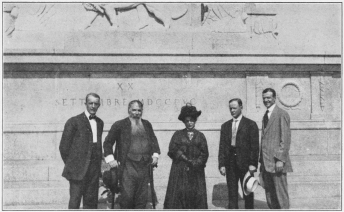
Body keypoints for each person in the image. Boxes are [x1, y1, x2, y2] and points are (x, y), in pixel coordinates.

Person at [103, 100, 160, 209]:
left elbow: (154, 141)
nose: (137, 113)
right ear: (129, 110)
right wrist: (111, 159)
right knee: (127, 198)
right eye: (134, 110)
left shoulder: (147, 124)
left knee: (142, 198)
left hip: (144, 165)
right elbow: (108, 142)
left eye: (139, 110)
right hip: (127, 166)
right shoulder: (119, 124)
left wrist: (155, 155)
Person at [59, 93, 104, 209]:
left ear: (99, 105)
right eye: (90, 103)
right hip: (77, 170)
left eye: (96, 104)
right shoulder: (73, 121)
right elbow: (63, 147)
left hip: (93, 170)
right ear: (85, 104)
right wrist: (73, 165)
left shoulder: (100, 122)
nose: (93, 106)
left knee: (91, 202)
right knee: (75, 201)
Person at [164, 103, 209, 209]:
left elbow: (205, 153)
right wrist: (184, 158)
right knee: (179, 196)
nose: (189, 123)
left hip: (196, 172)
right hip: (180, 171)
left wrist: (196, 163)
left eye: (192, 120)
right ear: (184, 121)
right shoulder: (177, 135)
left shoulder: (201, 136)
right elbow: (172, 151)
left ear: (195, 120)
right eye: (187, 121)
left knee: (196, 196)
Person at [218, 98, 259, 209]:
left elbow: (254, 147)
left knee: (248, 192)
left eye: (234, 108)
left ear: (241, 107)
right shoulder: (225, 126)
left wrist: (253, 164)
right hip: (230, 164)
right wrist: (221, 164)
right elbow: (222, 147)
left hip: (246, 164)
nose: (232, 110)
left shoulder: (250, 124)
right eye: (230, 108)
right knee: (232, 193)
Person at [260, 88, 293, 209]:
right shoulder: (265, 115)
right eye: (264, 98)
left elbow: (285, 139)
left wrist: (280, 159)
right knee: (270, 194)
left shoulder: (281, 114)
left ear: (274, 98)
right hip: (266, 163)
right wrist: (261, 162)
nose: (266, 100)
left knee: (281, 195)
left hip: (276, 162)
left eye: (268, 97)